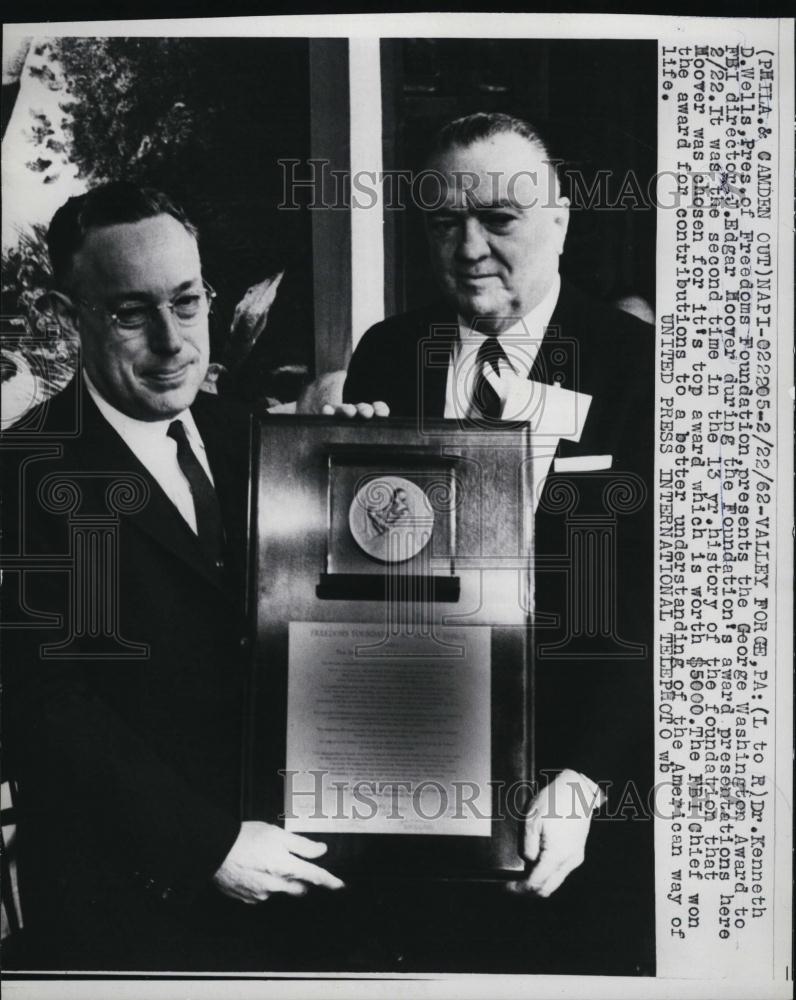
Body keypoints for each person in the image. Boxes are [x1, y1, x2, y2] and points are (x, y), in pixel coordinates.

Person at [1, 182, 349, 971]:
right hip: (129, 912)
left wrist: (361, 467)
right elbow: (45, 706)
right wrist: (206, 846)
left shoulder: (259, 440)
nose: (173, 340)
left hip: (292, 883)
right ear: (67, 316)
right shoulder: (23, 471)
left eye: (188, 302)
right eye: (131, 312)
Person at [344, 113, 655, 971]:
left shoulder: (642, 367)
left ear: (559, 219)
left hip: (578, 814)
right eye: (444, 220)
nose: (468, 246)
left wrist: (588, 775)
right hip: (410, 799)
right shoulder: (388, 355)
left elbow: (667, 602)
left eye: (499, 219)